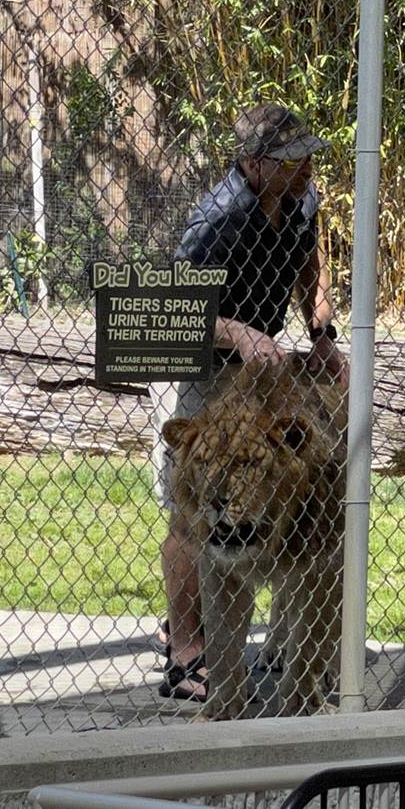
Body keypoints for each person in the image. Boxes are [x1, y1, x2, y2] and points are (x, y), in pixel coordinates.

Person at [150, 104, 348, 700]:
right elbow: (177, 308)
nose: (306, 166)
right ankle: (187, 653)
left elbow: (310, 268)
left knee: (276, 495)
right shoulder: (217, 220)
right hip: (210, 367)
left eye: (307, 155)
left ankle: (234, 633)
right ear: (255, 163)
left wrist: (321, 334)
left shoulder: (301, 200)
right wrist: (239, 333)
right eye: (291, 159)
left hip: (263, 373)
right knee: (193, 515)